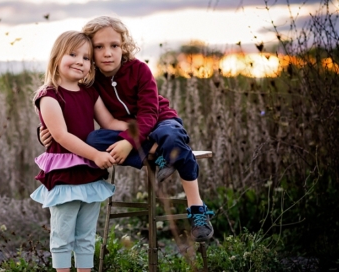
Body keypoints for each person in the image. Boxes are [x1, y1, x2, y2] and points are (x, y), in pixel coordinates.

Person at [39, 16, 215, 243]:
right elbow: (69, 108)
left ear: (124, 47)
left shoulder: (140, 70)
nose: (107, 53)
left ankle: (197, 207)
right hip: (125, 131)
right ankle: (159, 154)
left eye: (114, 46)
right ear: (91, 52)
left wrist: (129, 142)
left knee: (172, 137)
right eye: (99, 47)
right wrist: (45, 131)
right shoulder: (91, 81)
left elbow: (150, 114)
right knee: (94, 139)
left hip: (160, 123)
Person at [30, 30, 128, 272]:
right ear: (56, 57)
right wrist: (95, 155)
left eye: (86, 58)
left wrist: (144, 128)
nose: (80, 61)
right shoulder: (49, 95)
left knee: (85, 238)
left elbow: (110, 123)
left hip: (88, 173)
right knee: (62, 238)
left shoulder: (89, 93)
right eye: (72, 54)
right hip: (65, 173)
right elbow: (62, 136)